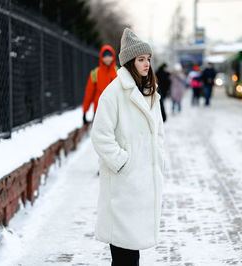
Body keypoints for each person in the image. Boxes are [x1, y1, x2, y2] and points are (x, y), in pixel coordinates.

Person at [91, 28, 165, 266]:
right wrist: (122, 162)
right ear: (130, 62)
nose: (146, 64)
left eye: (148, 59)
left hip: (143, 184)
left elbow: (159, 133)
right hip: (123, 186)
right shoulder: (113, 93)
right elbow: (101, 135)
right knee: (125, 255)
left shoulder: (151, 93)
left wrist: (157, 158)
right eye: (141, 59)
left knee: (132, 253)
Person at [82, 45, 117, 124]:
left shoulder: (118, 73)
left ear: (113, 57)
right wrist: (85, 111)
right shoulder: (95, 74)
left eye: (109, 56)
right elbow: (89, 94)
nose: (107, 58)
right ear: (101, 57)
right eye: (105, 56)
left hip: (115, 111)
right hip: (98, 111)